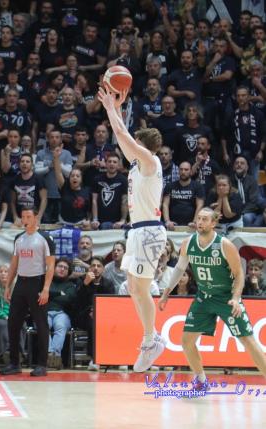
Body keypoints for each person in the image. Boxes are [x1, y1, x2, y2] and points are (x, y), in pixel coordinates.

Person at [98, 86, 167, 372]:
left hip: (149, 230)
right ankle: (150, 338)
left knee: (139, 288)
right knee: (133, 287)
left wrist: (111, 108)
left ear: (144, 145)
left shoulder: (151, 161)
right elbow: (123, 138)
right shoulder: (137, 166)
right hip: (138, 230)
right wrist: (115, 109)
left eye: (135, 143)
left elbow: (123, 137)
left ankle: (152, 339)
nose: (129, 147)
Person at [159, 207, 266, 389]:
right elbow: (179, 269)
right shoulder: (188, 243)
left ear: (214, 223)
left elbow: (239, 275)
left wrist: (236, 298)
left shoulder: (225, 245)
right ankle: (201, 381)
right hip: (204, 297)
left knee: (247, 340)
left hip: (226, 298)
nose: (200, 222)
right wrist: (166, 292)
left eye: (205, 219)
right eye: (199, 218)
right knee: (186, 340)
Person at [0, 206, 55, 377]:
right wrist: (8, 286)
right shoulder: (19, 238)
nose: (25, 220)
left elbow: (50, 265)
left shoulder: (45, 238)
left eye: (28, 216)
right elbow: (14, 263)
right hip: (21, 284)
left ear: (35, 217)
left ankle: (41, 365)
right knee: (13, 323)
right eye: (23, 217)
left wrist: (46, 289)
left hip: (37, 283)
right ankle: (15, 363)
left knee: (41, 324)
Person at [47, 258, 76, 370]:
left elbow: (68, 300)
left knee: (60, 326)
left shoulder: (70, 285)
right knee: (44, 325)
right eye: (60, 266)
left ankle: (55, 356)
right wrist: (60, 294)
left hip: (62, 313)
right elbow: (40, 296)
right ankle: (50, 354)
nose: (62, 269)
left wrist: (50, 295)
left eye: (65, 268)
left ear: (68, 272)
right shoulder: (46, 281)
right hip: (45, 312)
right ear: (54, 268)